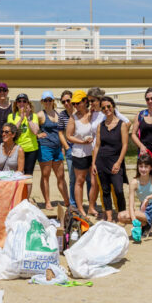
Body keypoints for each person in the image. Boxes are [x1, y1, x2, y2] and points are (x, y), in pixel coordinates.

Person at [118, 154, 152, 245]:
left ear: (151, 168)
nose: (143, 169)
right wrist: (135, 222)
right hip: (144, 211)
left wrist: (149, 197)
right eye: (141, 166)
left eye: (146, 167)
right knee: (121, 216)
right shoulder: (134, 182)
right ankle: (145, 225)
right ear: (138, 167)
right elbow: (131, 206)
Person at [92, 96, 129, 221]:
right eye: (103, 108)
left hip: (115, 162)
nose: (106, 109)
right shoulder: (100, 126)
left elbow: (125, 146)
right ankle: (109, 217)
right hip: (101, 162)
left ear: (113, 107)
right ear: (101, 110)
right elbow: (97, 146)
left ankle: (122, 216)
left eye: (108, 106)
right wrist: (93, 164)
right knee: (105, 190)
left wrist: (118, 162)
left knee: (119, 190)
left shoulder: (122, 125)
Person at [36, 91, 70, 210]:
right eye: (45, 100)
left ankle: (67, 201)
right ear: (42, 102)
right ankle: (47, 202)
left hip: (57, 148)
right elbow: (32, 129)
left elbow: (61, 132)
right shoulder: (40, 115)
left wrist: (62, 146)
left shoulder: (58, 114)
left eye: (50, 100)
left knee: (60, 176)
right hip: (45, 147)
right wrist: (38, 135)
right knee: (46, 175)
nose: (48, 102)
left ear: (53, 101)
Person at [66, 90, 95, 218]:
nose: (75, 106)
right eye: (74, 103)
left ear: (85, 101)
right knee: (80, 181)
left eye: (78, 103)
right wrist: (82, 142)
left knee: (93, 181)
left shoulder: (92, 114)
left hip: (93, 152)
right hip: (79, 152)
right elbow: (68, 136)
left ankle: (91, 207)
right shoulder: (73, 117)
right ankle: (80, 208)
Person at [7, 93, 39, 185]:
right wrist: (21, 119)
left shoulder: (33, 116)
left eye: (24, 101)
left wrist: (28, 118)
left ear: (28, 103)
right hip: (17, 149)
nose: (22, 103)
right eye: (19, 101)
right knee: (16, 175)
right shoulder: (11, 116)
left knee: (28, 176)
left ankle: (26, 199)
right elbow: (11, 132)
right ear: (16, 103)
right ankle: (18, 198)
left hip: (31, 149)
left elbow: (35, 131)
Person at [57, 90, 76, 207]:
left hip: (84, 148)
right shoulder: (62, 115)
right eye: (63, 101)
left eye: (68, 100)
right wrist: (67, 147)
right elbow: (60, 133)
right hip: (70, 149)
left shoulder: (80, 112)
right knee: (72, 178)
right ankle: (73, 203)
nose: (66, 103)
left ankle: (91, 204)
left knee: (88, 178)